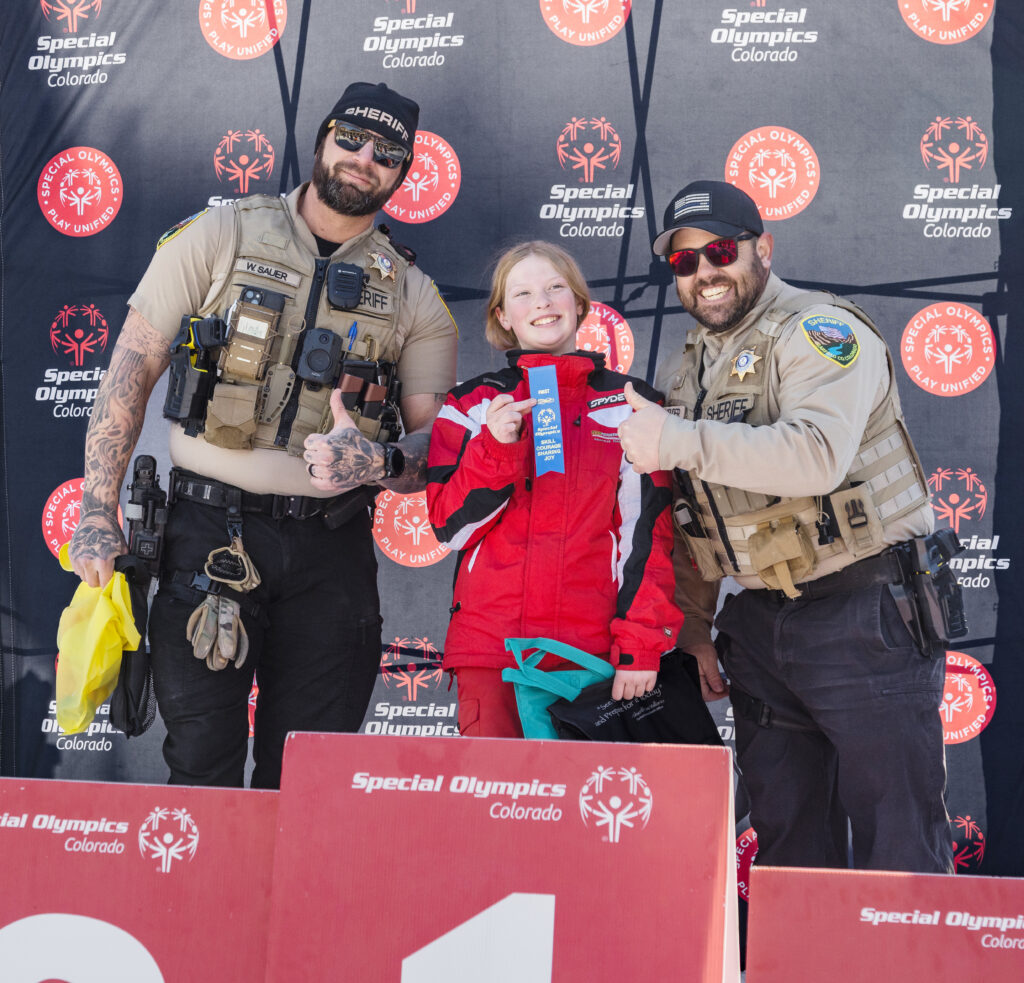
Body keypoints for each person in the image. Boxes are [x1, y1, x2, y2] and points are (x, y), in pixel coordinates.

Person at [69, 82, 458, 788]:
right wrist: (98, 505)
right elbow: (130, 370)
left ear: (404, 173)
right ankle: (199, 901)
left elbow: (434, 450)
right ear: (321, 139)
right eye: (351, 138)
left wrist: (377, 459)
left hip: (330, 547)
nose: (363, 159)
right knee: (201, 761)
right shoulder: (221, 233)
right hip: (206, 529)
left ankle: (284, 902)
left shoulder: (413, 296)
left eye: (388, 152)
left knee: (309, 775)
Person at [618, 180, 955, 873]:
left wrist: (674, 439)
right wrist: (692, 624)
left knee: (900, 842)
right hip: (761, 627)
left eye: (718, 252)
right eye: (684, 263)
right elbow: (693, 514)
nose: (704, 274)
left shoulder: (820, 331)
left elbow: (814, 456)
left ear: (761, 249)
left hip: (862, 613)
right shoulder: (691, 367)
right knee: (788, 848)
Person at [426, 241, 683, 737]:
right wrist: (496, 448)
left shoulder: (629, 402)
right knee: (494, 808)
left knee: (584, 811)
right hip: (492, 652)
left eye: (554, 288)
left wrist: (640, 642)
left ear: (580, 303)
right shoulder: (472, 403)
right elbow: (448, 527)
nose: (541, 302)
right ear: (503, 315)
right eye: (522, 293)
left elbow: (648, 537)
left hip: (589, 655)